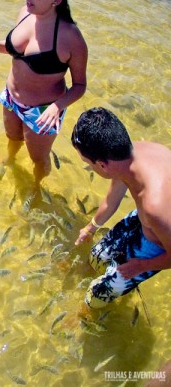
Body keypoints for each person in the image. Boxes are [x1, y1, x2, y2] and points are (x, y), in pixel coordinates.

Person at [0, 0, 88, 186]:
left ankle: (36, 187)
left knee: (39, 158)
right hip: (10, 98)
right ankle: (10, 159)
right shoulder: (25, 13)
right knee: (12, 137)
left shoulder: (71, 38)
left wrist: (57, 107)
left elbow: (80, 85)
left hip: (42, 111)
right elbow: (16, 49)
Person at [72, 107, 171, 309]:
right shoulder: (129, 153)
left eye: (87, 163)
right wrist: (91, 227)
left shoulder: (154, 204)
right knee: (97, 255)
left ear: (101, 165)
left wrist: (142, 266)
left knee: (96, 296)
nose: (90, 167)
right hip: (147, 220)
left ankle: (84, 316)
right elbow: (112, 199)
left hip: (156, 245)